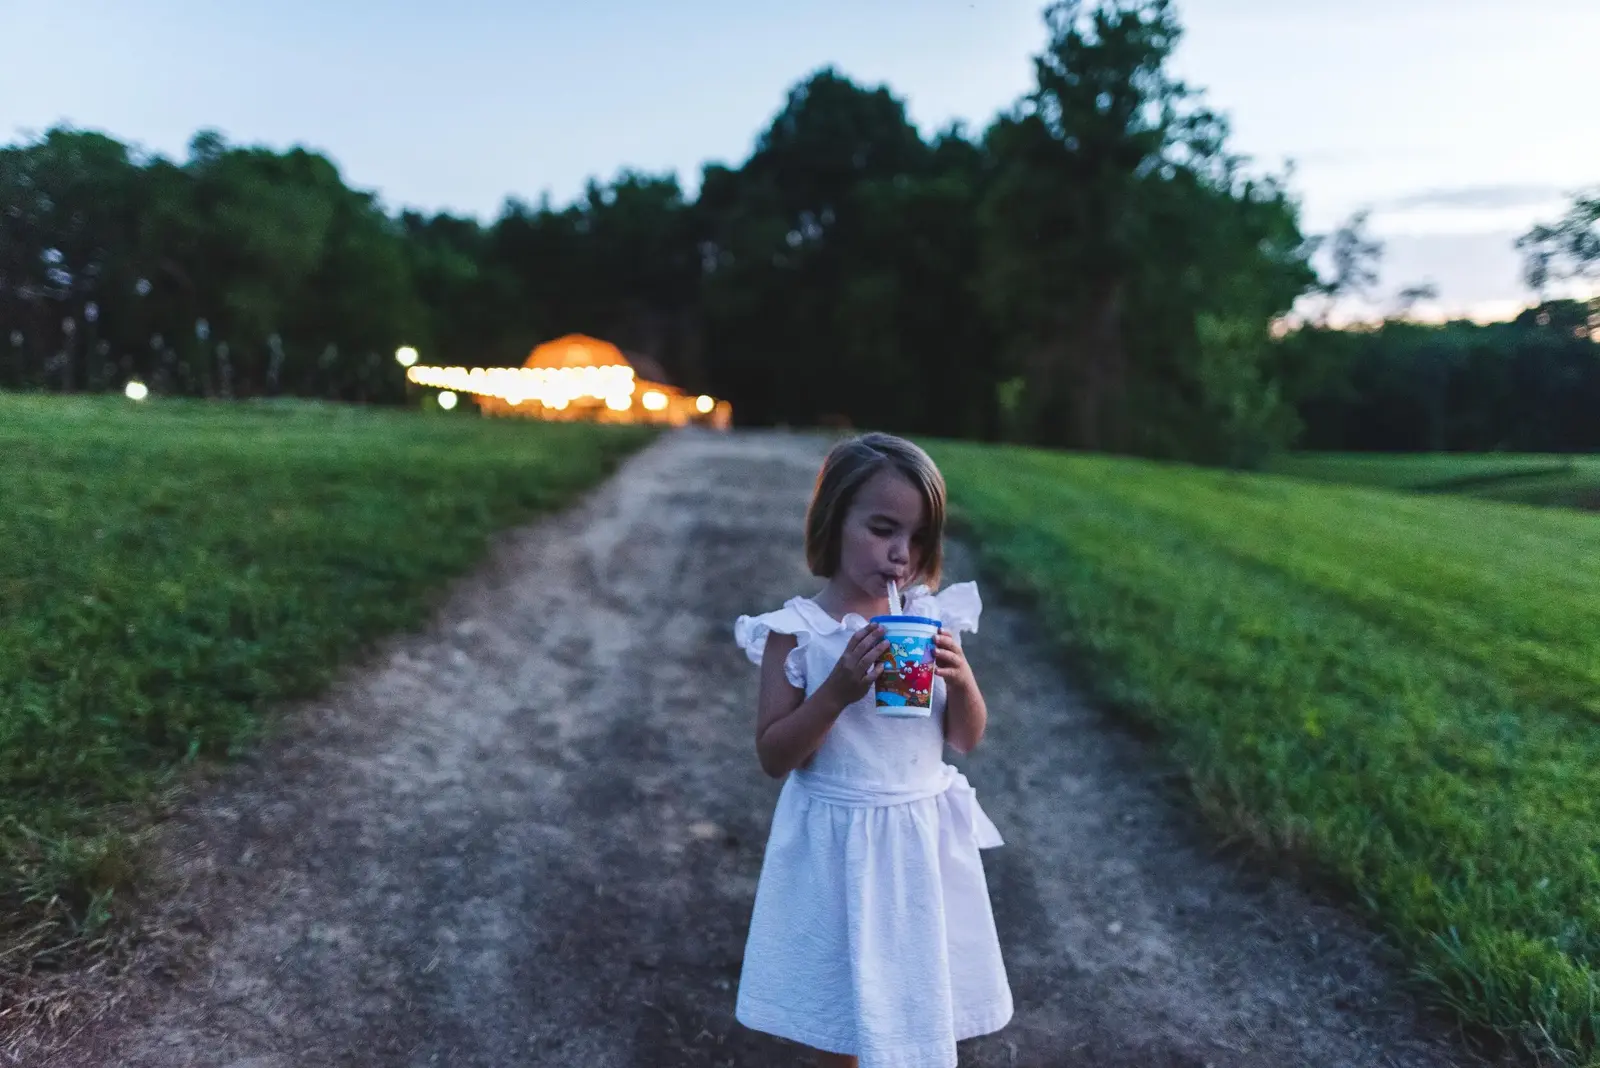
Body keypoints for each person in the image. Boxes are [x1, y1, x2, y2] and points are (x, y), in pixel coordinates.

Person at [732, 432, 1012, 1068]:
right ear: (833, 521)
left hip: (917, 840)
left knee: (918, 996)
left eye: (918, 538)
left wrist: (963, 681)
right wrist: (834, 693)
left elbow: (965, 738)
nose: (900, 554)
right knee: (844, 1013)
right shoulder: (797, 635)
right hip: (838, 847)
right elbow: (775, 756)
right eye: (883, 529)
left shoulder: (929, 621)